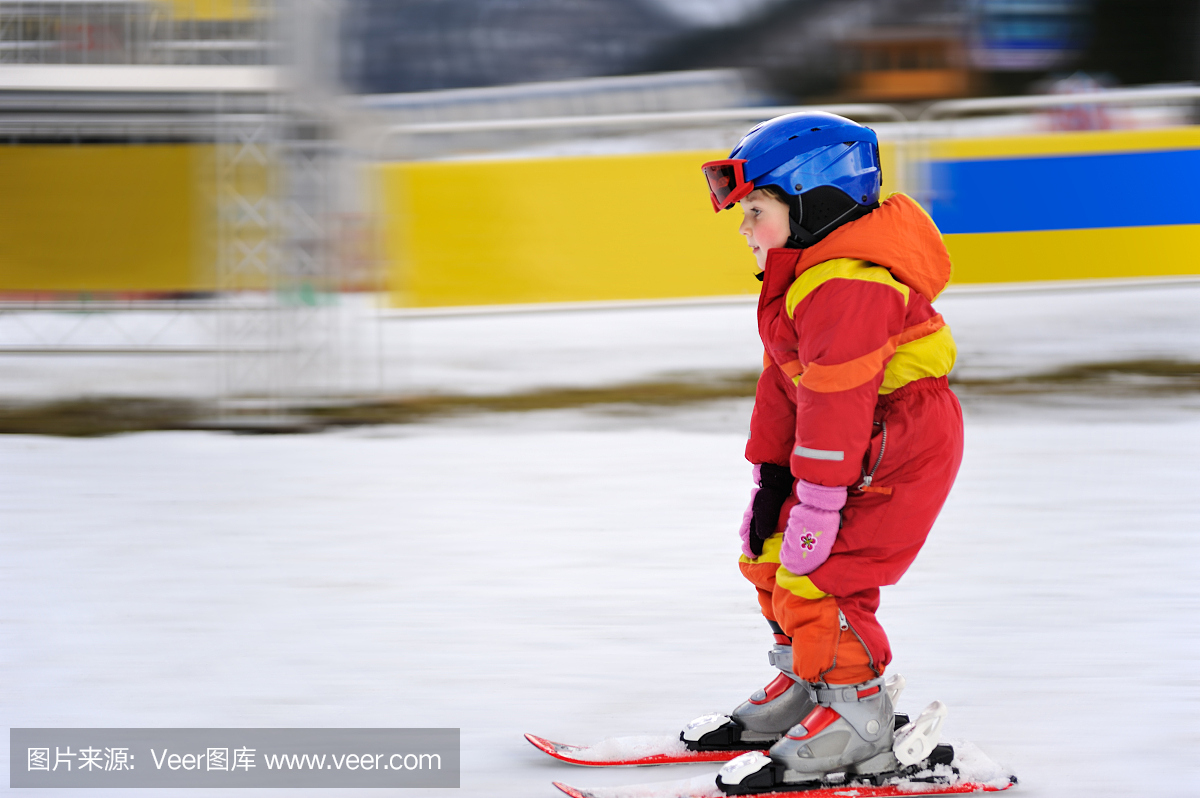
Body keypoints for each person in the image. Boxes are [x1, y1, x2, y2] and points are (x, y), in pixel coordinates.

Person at [680, 112, 964, 792]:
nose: (745, 229)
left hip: (897, 443)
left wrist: (820, 500)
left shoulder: (847, 285)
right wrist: (774, 485)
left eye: (755, 211)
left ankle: (858, 719)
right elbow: (787, 389)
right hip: (847, 447)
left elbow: (836, 402)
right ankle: (811, 686)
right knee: (771, 555)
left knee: (823, 575)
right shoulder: (806, 277)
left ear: (812, 201)